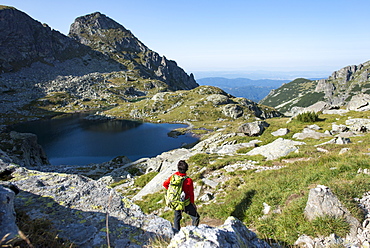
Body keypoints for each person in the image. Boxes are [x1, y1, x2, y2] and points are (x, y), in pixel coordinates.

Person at [163, 160, 200, 231]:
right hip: (186, 202)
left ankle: (176, 233)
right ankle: (194, 231)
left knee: (177, 218)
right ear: (186, 169)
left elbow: (165, 184)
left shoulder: (173, 177)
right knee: (196, 217)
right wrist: (192, 203)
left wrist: (172, 192)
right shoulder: (188, 180)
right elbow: (191, 193)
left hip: (176, 202)